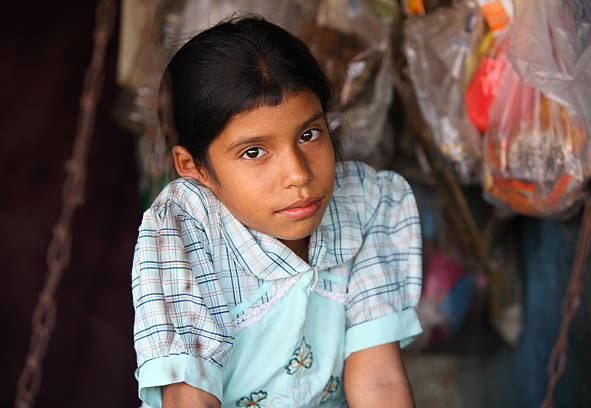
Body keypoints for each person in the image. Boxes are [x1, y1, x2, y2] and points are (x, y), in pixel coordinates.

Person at [132, 15, 422, 408]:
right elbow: (190, 397)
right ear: (193, 166)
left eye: (309, 134)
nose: (298, 175)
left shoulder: (367, 202)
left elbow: (380, 381)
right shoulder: (183, 228)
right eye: (254, 152)